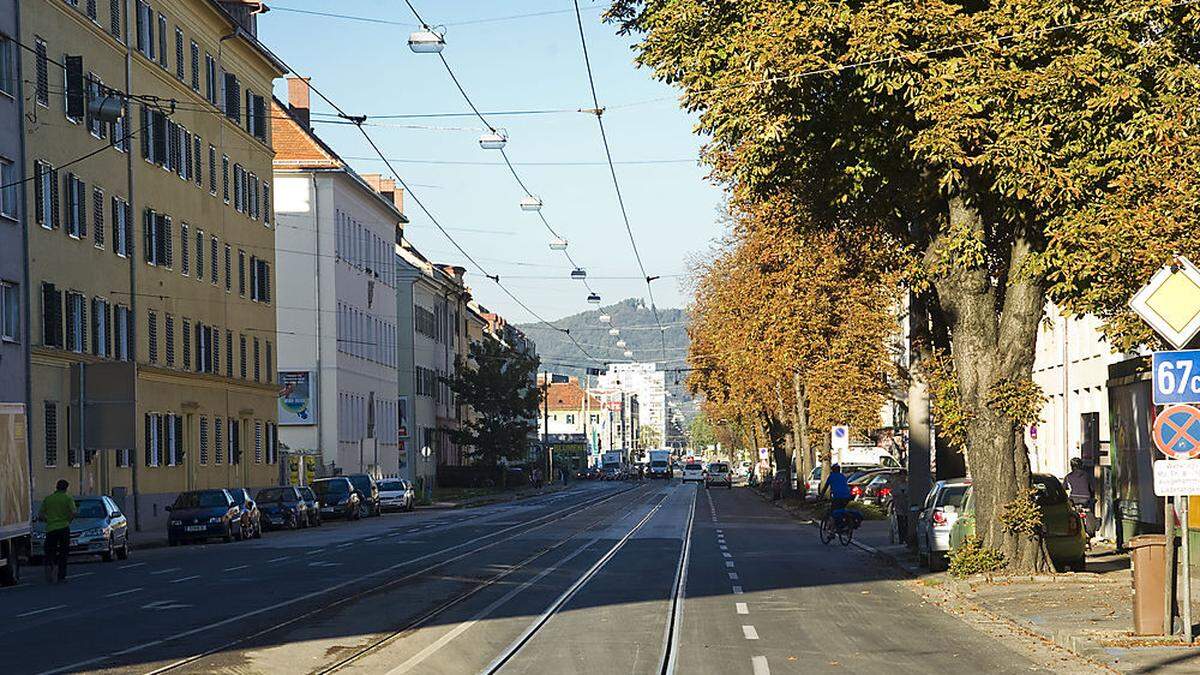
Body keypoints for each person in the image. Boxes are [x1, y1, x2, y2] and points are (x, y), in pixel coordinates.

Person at [39, 479, 77, 583]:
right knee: (63, 552)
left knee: (50, 551)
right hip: (64, 528)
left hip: (51, 528)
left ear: (56, 487)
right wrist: (68, 520)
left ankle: (50, 569)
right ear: (66, 488)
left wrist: (48, 520)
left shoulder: (49, 499)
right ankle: (61, 575)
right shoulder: (68, 498)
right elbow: (73, 512)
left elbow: (41, 514)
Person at [1064, 457, 1095, 537]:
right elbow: (1092, 488)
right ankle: (1089, 531)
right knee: (1088, 511)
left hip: (1074, 499)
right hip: (1086, 499)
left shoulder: (1068, 477)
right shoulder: (1087, 476)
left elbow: (1064, 488)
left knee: (1072, 512)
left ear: (1071, 466)